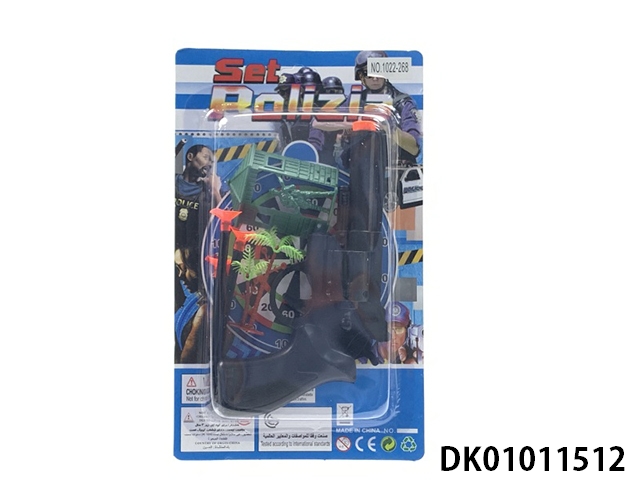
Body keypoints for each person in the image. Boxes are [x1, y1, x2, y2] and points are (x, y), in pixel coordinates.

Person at [354, 50, 422, 165]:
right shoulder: (354, 102)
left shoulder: (403, 103)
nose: (375, 78)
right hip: (361, 166)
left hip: (396, 167)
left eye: (379, 71)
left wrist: (389, 127)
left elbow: (414, 148)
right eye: (369, 73)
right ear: (361, 76)